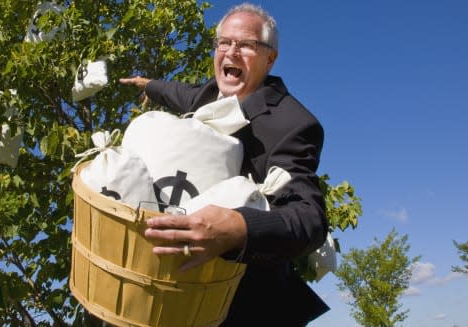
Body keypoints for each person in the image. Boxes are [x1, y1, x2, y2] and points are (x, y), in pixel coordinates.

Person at [119, 3, 329, 326]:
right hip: (178, 296)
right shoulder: (207, 97)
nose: (231, 51)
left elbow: (309, 218)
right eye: (224, 42)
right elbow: (177, 92)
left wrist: (240, 229)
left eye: (246, 45)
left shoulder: (294, 123)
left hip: (248, 304)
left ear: (270, 58)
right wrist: (148, 85)